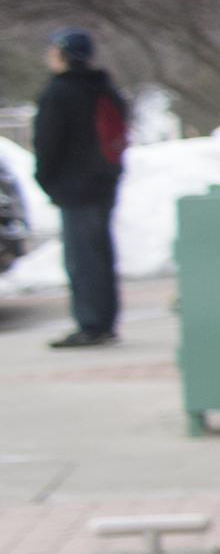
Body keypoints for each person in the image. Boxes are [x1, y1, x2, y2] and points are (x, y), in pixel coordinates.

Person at [35, 31, 127, 354]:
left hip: (75, 187)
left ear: (63, 54)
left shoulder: (59, 92)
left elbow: (48, 142)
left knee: (82, 258)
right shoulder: (103, 88)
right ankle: (104, 320)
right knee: (100, 253)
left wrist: (46, 180)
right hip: (104, 182)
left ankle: (90, 324)